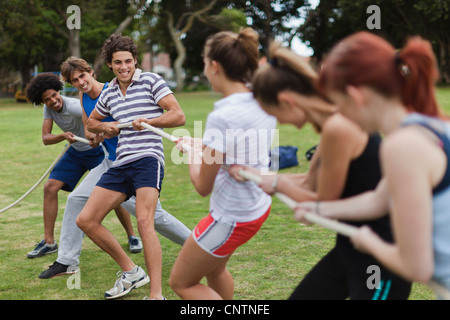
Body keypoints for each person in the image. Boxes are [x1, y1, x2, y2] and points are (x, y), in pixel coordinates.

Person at [228, 43, 412, 300]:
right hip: (349, 249)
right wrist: (258, 175)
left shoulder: (341, 126)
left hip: (381, 258)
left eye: (275, 114)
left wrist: (277, 184)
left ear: (287, 101)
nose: (280, 122)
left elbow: (322, 202)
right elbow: (309, 181)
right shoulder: (333, 122)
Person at [295, 32, 450, 298]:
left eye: (339, 105)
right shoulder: (435, 126)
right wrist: (318, 207)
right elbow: (378, 200)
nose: (339, 117)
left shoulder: (401, 146)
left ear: (356, 95)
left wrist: (371, 243)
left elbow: (417, 267)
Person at [37, 57, 191, 280]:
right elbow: (90, 126)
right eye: (75, 80)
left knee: (154, 218)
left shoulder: (112, 90)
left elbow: (140, 117)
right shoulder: (83, 96)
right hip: (111, 162)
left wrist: (115, 128)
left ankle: (199, 247)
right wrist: (94, 136)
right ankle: (67, 261)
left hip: (133, 162)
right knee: (75, 200)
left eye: (82, 76)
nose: (80, 82)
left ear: (91, 72)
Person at [169, 28, 277, 300]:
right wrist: (198, 145)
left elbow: (203, 185)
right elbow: (231, 148)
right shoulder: (261, 99)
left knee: (182, 283)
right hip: (257, 207)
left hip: (231, 217)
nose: (205, 69)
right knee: (215, 272)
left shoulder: (224, 115)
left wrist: (192, 154)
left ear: (215, 66)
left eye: (205, 63)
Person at [76, 34, 186, 300]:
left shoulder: (151, 80)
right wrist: (106, 126)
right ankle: (132, 271)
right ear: (110, 65)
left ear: (135, 61)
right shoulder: (109, 92)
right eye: (118, 62)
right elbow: (92, 123)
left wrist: (149, 120)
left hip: (148, 159)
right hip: (120, 162)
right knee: (86, 220)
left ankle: (156, 295)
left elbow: (178, 115)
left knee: (146, 221)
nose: (124, 66)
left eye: (128, 61)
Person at [24, 73, 139, 259]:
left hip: (96, 152)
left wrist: (98, 134)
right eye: (47, 100)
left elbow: (99, 122)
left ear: (59, 91)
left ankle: (132, 236)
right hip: (75, 151)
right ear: (43, 102)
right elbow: (45, 138)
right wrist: (62, 136)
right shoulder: (49, 110)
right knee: (50, 187)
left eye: (54, 95)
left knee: (114, 193)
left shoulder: (75, 107)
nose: (53, 101)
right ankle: (49, 242)